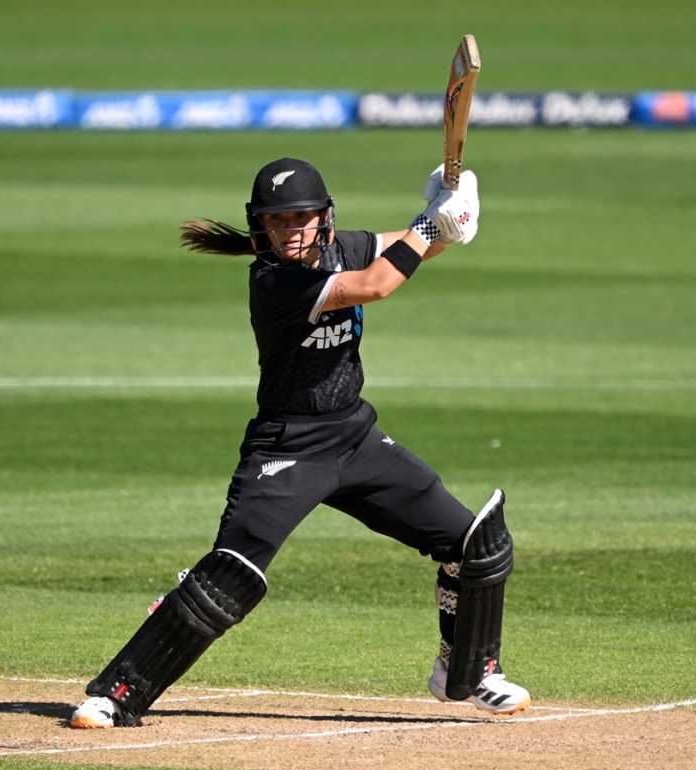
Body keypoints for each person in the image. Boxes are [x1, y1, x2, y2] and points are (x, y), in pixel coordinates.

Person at [70, 157, 529, 729]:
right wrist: (433, 225)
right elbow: (379, 284)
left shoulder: (347, 246)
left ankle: (467, 668)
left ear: (324, 218)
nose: (290, 230)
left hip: (355, 438)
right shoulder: (275, 281)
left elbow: (402, 250)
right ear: (260, 227)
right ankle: (118, 692)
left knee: (475, 545)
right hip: (285, 449)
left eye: (301, 218)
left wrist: (452, 221)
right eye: (276, 220)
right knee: (227, 578)